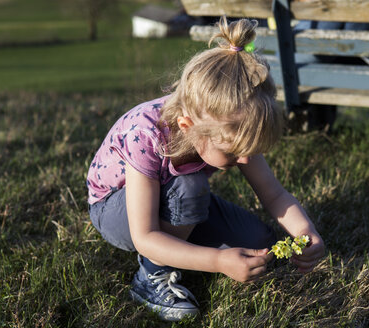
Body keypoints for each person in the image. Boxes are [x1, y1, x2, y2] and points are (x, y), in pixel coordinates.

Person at [86, 17, 325, 321]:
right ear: (188, 127)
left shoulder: (228, 128)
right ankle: (151, 276)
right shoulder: (146, 134)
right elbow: (144, 234)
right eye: (235, 152)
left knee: (257, 244)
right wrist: (216, 261)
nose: (244, 160)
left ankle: (182, 232)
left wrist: (306, 231)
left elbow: (274, 195)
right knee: (190, 186)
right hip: (117, 210)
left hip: (174, 200)